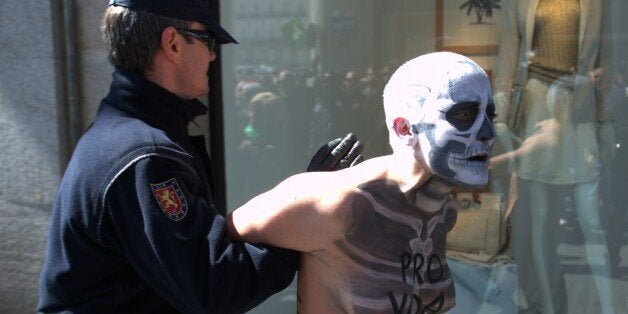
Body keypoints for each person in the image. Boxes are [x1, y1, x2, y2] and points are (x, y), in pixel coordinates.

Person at [37, 1, 362, 313]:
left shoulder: (128, 133)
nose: (211, 55)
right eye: (207, 40)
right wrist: (304, 208)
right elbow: (215, 286)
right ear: (173, 44)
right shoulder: (145, 157)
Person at [228, 52, 496, 313]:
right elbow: (213, 252)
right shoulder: (336, 202)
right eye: (463, 115)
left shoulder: (442, 210)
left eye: (489, 115)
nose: (487, 133)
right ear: (404, 129)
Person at [492, 0, 616, 312]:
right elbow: (508, 55)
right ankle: (548, 306)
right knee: (540, 220)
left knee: (591, 219)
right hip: (537, 105)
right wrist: (501, 116)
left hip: (579, 106)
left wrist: (607, 121)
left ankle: (610, 306)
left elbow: (606, 58)